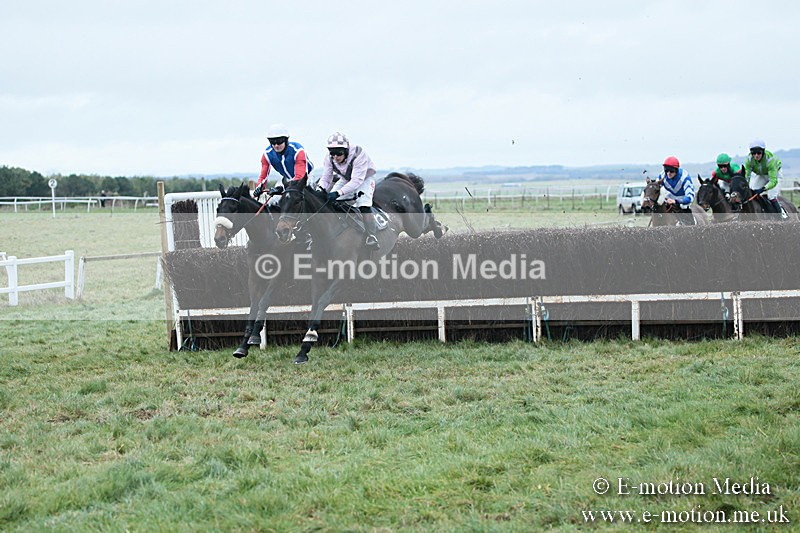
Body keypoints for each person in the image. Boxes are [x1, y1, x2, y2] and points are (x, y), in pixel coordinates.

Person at [316, 132, 379, 249]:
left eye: (338, 153)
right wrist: (319, 190)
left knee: (363, 203)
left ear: (345, 150)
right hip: (345, 179)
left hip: (364, 179)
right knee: (329, 202)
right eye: (332, 153)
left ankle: (372, 236)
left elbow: (356, 181)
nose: (335, 157)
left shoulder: (359, 154)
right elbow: (326, 178)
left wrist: (338, 193)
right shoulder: (329, 158)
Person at [252, 123, 314, 204]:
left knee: (299, 201)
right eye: (272, 142)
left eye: (279, 141)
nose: (276, 145)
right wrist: (259, 187)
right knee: (271, 202)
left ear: (286, 140)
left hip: (305, 178)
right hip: (287, 179)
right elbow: (263, 176)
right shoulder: (267, 154)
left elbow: (299, 177)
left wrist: (282, 189)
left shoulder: (298, 150)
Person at [744, 139, 785, 216]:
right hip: (761, 174)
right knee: (752, 191)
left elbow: (773, 181)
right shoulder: (749, 160)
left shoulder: (770, 160)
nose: (756, 155)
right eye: (753, 153)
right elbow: (747, 177)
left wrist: (763, 188)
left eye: (759, 153)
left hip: (775, 175)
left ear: (763, 151)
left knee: (771, 196)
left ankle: (782, 215)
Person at [659, 156, 696, 224]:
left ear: (676, 170)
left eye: (671, 171)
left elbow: (690, 197)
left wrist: (676, 201)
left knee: (684, 208)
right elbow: (657, 190)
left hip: (683, 201)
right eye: (666, 170)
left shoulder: (685, 178)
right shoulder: (662, 176)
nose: (668, 173)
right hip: (669, 199)